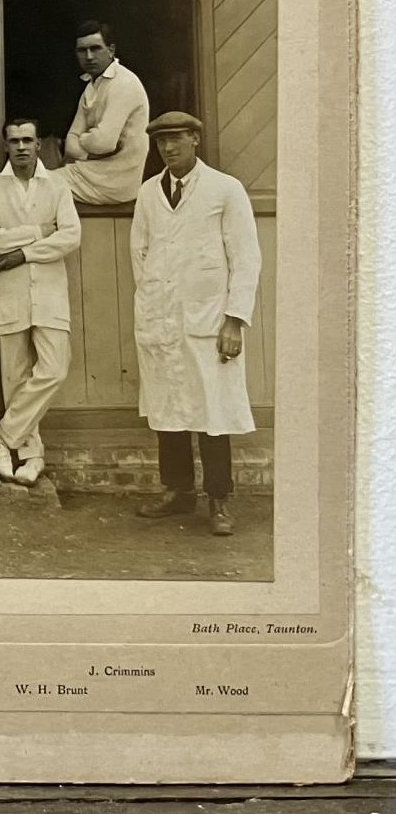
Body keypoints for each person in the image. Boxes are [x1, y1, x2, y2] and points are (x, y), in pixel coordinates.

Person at [130, 111, 262, 537]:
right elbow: (141, 253)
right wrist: (152, 304)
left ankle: (218, 498)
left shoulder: (225, 190)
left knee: (212, 411)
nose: (168, 148)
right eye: (161, 141)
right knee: (168, 408)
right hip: (161, 318)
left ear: (195, 140)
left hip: (208, 321)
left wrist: (234, 320)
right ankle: (178, 491)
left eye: (177, 139)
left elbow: (245, 259)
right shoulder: (150, 192)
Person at [0, 116, 82, 487]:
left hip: (49, 291)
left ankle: (2, 435)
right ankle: (31, 454)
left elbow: (71, 236)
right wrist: (38, 232)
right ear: (5, 146)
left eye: (27, 140)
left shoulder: (57, 185)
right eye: (14, 141)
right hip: (9, 292)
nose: (21, 147)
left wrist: (23, 253)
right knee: (15, 377)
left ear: (39, 144)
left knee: (54, 368)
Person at [58, 20, 150, 206]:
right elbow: (70, 143)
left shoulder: (123, 83)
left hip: (116, 180)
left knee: (40, 187)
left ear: (111, 50)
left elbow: (103, 143)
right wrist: (89, 151)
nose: (89, 56)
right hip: (91, 171)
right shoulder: (91, 87)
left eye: (95, 48)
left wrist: (82, 141)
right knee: (36, 185)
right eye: (82, 51)